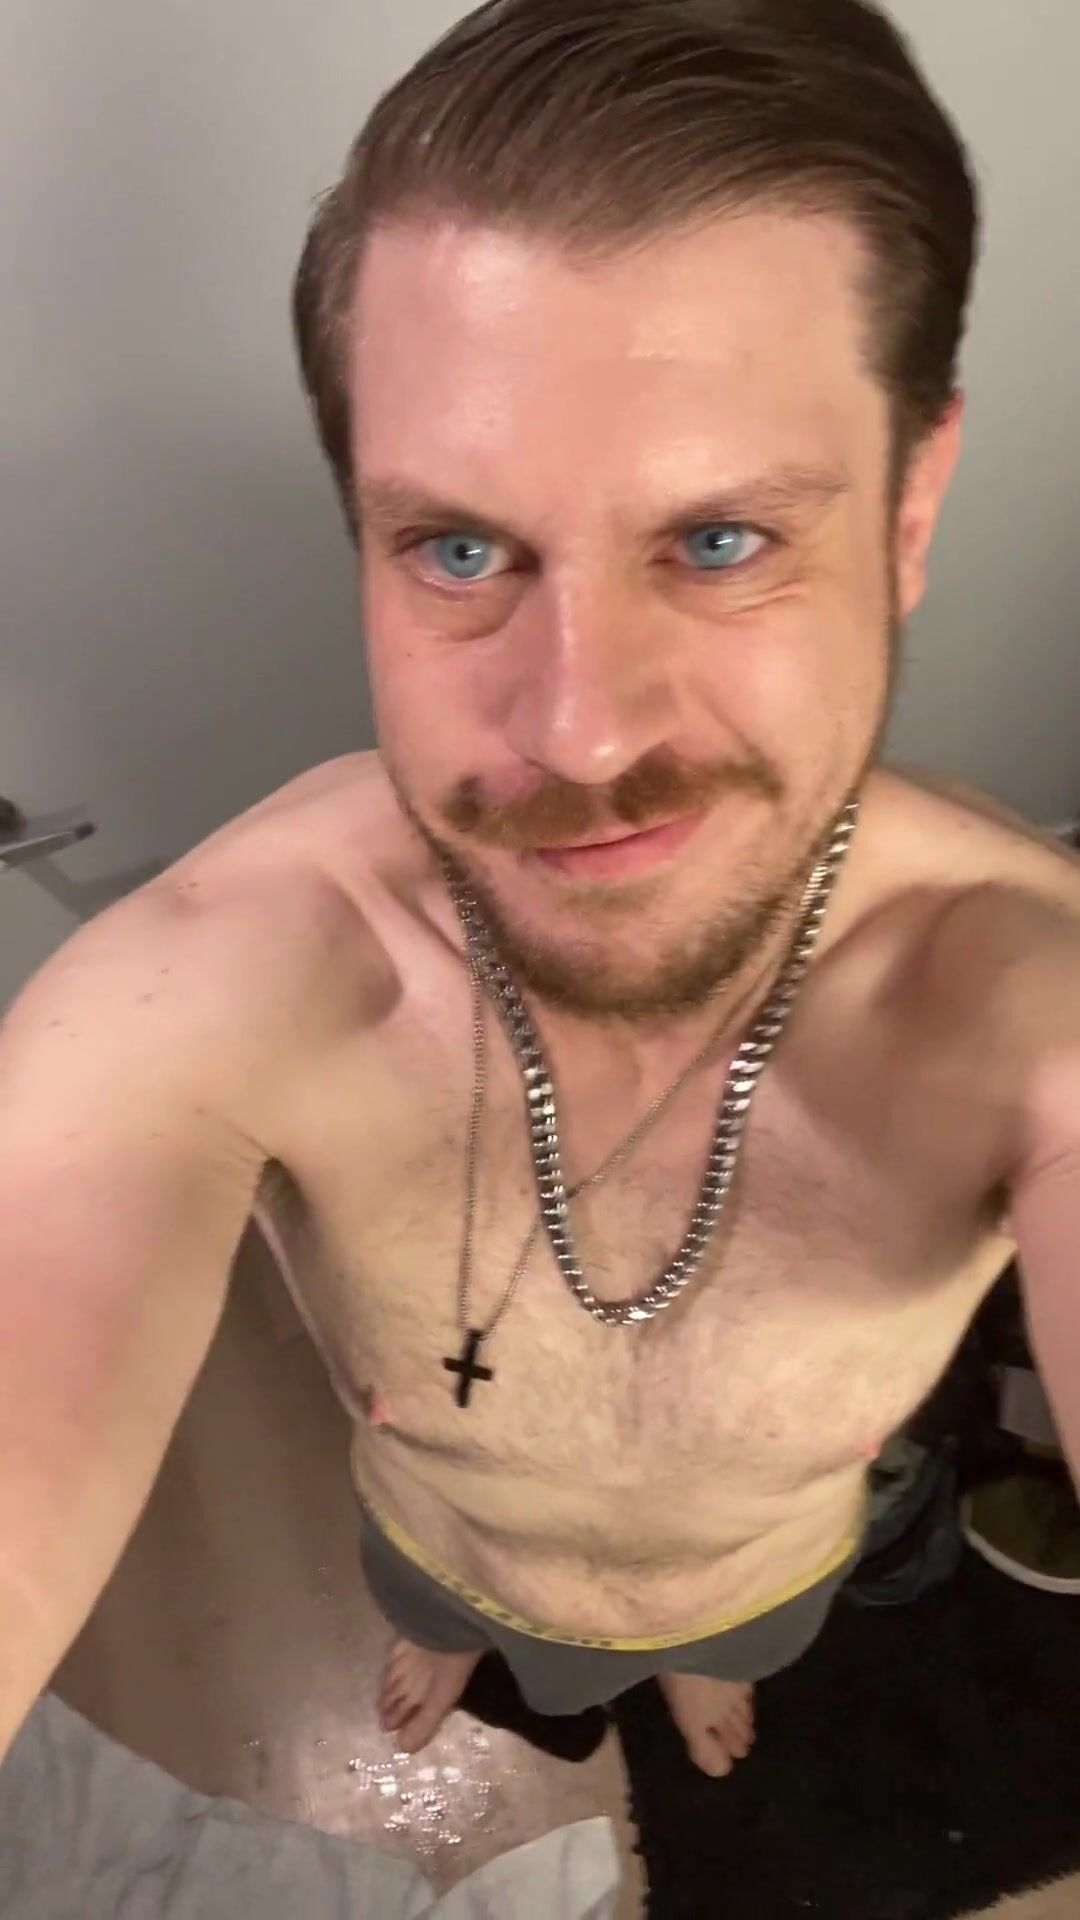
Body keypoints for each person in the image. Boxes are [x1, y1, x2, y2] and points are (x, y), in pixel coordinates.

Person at [1, 0, 1078, 1786]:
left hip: (761, 1577)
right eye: (460, 549)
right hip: (434, 1543)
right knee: (442, 1606)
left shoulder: (1025, 1006)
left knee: (725, 1644)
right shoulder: (229, 979)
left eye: (721, 540)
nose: (579, 733)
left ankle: (694, 1673)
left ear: (910, 509)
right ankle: (452, 1643)